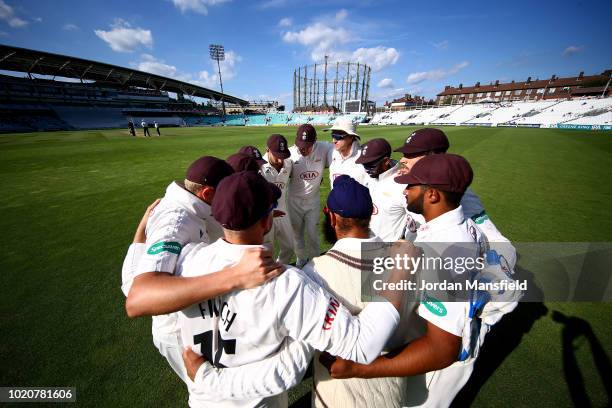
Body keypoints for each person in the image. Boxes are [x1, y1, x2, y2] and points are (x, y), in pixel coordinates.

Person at [172, 171, 404, 407]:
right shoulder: (288, 282)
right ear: (267, 221)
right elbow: (361, 345)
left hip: (201, 400)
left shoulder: (185, 261)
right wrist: (402, 269)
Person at [322, 153, 494, 408]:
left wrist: (358, 368)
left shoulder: (447, 248)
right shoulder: (452, 226)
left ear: (432, 195)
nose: (404, 190)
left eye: (411, 185)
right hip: (431, 334)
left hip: (436, 365)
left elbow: (441, 348)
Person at [123, 156, 276, 384]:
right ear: (206, 194)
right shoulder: (175, 222)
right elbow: (138, 298)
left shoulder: (191, 208)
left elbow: (134, 275)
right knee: (209, 391)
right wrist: (235, 276)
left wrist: (142, 229)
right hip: (178, 330)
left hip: (194, 315)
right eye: (223, 191)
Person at [395, 128, 516, 268]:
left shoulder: (458, 195)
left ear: (433, 156)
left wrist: (493, 274)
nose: (403, 159)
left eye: (411, 155)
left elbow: (501, 246)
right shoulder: (405, 182)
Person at [288, 124, 334, 267]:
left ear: (315, 141)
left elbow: (342, 147)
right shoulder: (290, 154)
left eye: (307, 146)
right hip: (294, 201)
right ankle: (301, 259)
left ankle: (315, 261)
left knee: (313, 233)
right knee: (297, 234)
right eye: (300, 146)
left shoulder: (324, 148)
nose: (303, 150)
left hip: (312, 201)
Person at [356, 138, 408, 241]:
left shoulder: (403, 184)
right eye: (363, 164)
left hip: (389, 250)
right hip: (367, 243)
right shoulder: (370, 176)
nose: (366, 169)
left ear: (386, 161)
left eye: (370, 165)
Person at [261, 134, 296, 264]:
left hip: (283, 212)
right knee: (266, 250)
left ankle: (280, 269)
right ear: (267, 150)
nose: (281, 161)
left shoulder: (288, 163)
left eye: (283, 156)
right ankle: (266, 279)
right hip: (266, 215)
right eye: (277, 156)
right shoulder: (260, 167)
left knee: (289, 247)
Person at [325, 117, 368, 187]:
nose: (334, 141)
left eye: (338, 136)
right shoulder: (331, 153)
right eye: (333, 135)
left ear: (351, 137)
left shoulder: (364, 159)